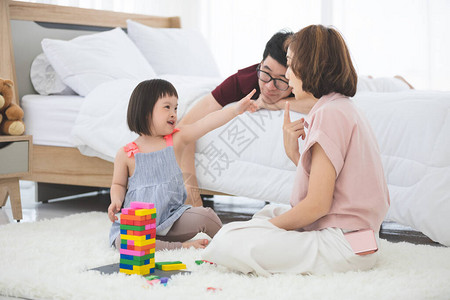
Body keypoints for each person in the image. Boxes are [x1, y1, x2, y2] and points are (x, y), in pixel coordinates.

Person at [202, 25, 390, 276]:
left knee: (229, 239)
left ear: (310, 66)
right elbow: (333, 187)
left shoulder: (329, 114)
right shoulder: (340, 106)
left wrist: (268, 229)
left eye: (290, 65)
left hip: (343, 246)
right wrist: (295, 155)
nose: (287, 76)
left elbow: (316, 206)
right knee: (266, 212)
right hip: (360, 237)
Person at [108, 79, 257, 251]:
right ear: (145, 111)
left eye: (175, 108)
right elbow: (118, 184)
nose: (173, 113)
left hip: (172, 220)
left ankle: (233, 245)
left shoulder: (176, 139)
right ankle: (181, 247)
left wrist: (235, 110)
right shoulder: (126, 153)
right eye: (167, 107)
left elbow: (206, 123)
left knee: (205, 215)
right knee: (122, 241)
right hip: (139, 227)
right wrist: (116, 200)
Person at [179, 30, 317, 206]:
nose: (268, 86)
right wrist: (193, 196)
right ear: (260, 64)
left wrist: (274, 105)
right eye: (265, 73)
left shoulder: (302, 82)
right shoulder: (244, 80)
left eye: (281, 81)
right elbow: (186, 126)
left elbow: (320, 103)